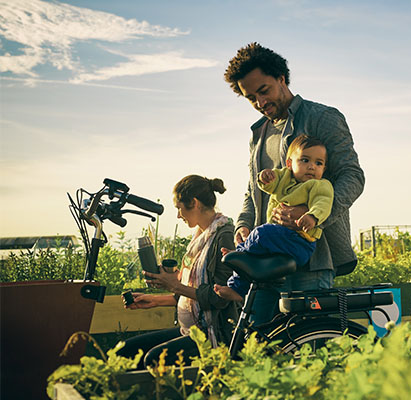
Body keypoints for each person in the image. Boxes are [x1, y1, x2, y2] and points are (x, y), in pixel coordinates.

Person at [223, 43, 365, 324]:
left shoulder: (323, 118)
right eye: (251, 97)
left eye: (264, 91)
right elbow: (253, 190)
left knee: (309, 346)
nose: (260, 103)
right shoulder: (258, 133)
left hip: (310, 262)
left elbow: (353, 175)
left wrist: (313, 216)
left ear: (281, 79)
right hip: (266, 264)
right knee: (260, 342)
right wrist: (243, 224)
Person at [118, 175, 239, 368]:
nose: (178, 215)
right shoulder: (200, 238)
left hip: (212, 333)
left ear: (194, 203)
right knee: (124, 351)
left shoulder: (223, 237)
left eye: (179, 208)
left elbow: (220, 297)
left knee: (154, 359)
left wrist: (174, 285)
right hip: (189, 329)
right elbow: (190, 295)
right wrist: (154, 301)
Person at [215, 134, 333, 302]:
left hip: (300, 243)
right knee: (256, 254)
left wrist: (313, 216)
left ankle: (240, 254)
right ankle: (238, 284)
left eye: (318, 163)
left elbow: (323, 202)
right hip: (280, 243)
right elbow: (269, 184)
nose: (312, 167)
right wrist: (265, 177)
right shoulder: (285, 178)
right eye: (305, 160)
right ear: (290, 164)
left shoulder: (319, 185)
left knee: (261, 234)